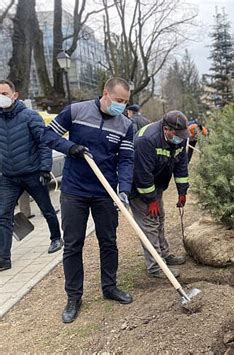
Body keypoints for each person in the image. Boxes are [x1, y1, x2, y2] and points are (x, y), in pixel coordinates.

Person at [43, 77, 135, 323]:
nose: (122, 106)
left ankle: (110, 286)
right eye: (118, 100)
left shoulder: (126, 125)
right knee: (73, 244)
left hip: (105, 192)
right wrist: (71, 147)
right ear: (105, 93)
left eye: (125, 102)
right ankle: (73, 297)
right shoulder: (76, 111)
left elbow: (126, 160)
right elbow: (48, 136)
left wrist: (123, 189)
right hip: (74, 191)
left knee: (109, 241)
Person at [0, 79, 63, 272]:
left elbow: (44, 143)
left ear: (14, 95)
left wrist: (45, 169)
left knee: (46, 209)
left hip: (33, 173)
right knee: (2, 215)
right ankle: (3, 258)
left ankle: (56, 238)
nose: (1, 98)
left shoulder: (29, 116)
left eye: (4, 93)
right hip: (9, 177)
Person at [129, 111, 189, 279]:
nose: (181, 138)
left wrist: (182, 191)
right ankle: (156, 266)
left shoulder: (178, 139)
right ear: (166, 129)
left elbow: (181, 165)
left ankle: (164, 254)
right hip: (138, 187)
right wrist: (150, 200)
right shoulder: (146, 140)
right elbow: (141, 173)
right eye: (177, 135)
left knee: (159, 219)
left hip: (156, 186)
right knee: (149, 224)